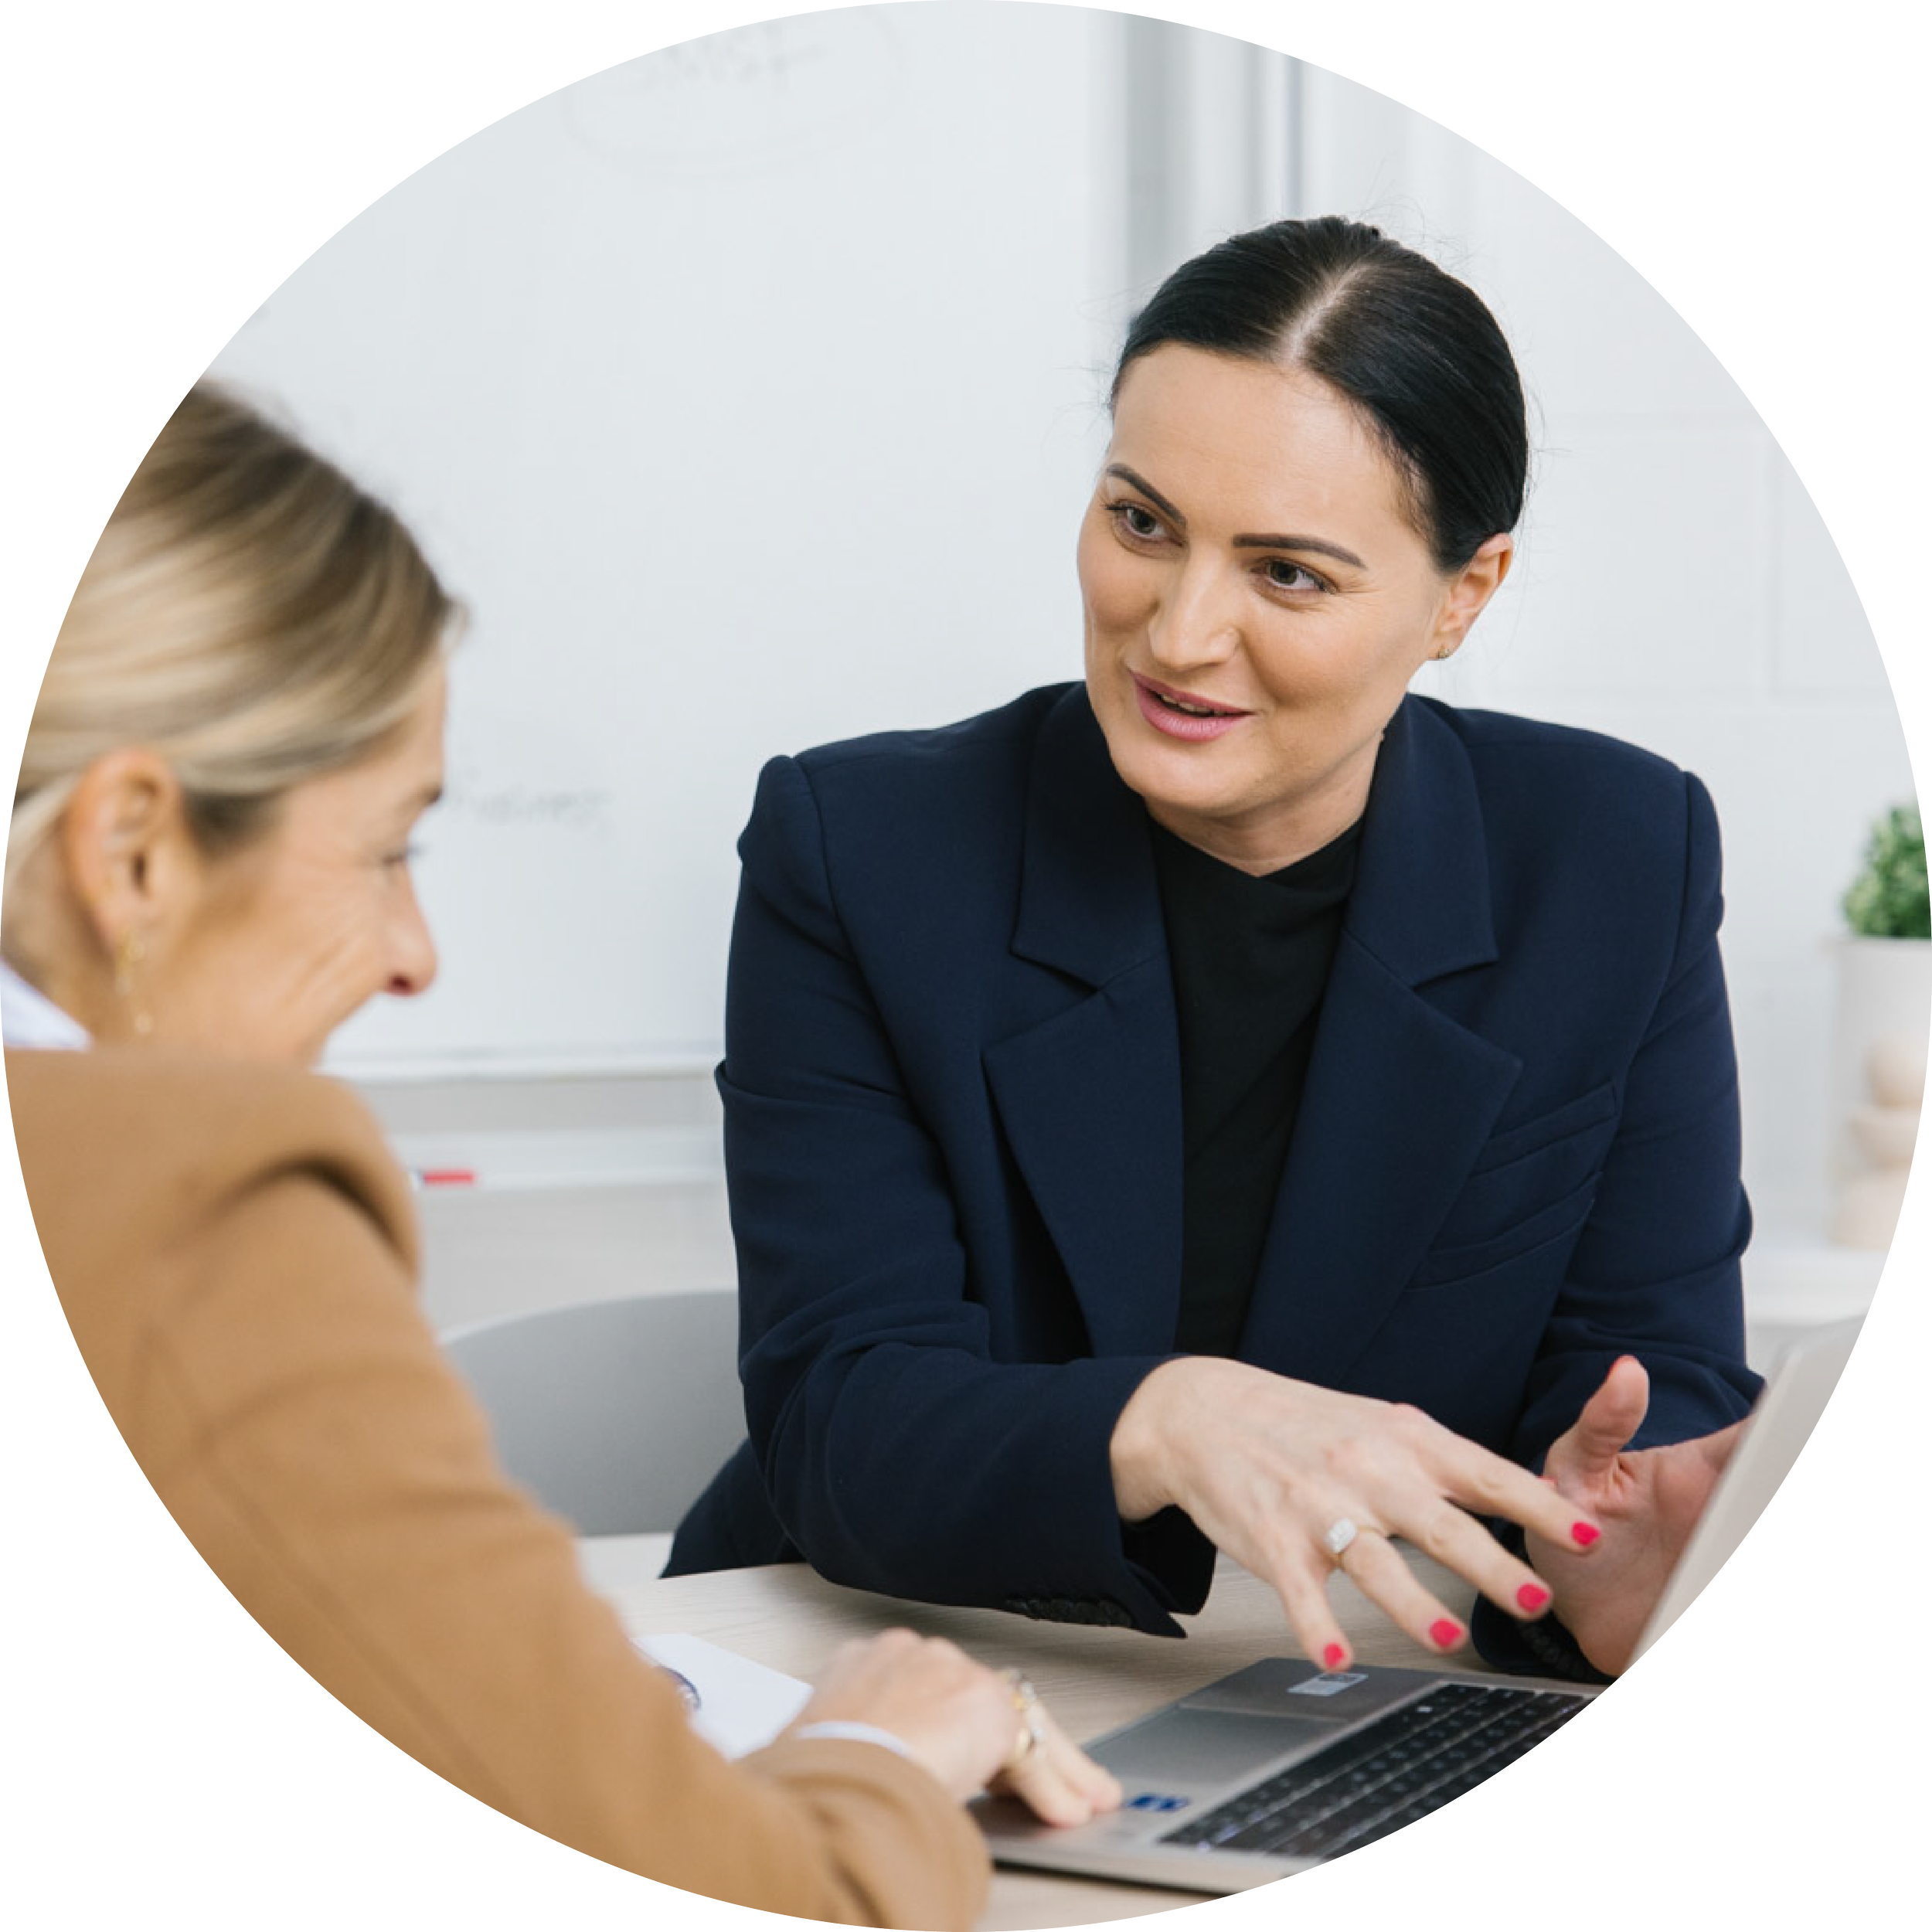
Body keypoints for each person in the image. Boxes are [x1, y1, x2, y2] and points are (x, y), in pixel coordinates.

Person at [1, 384, 1117, 1931]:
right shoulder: (187, 1205)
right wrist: (873, 1745)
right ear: (131, 851)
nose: (415, 955)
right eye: (389, 847)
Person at [668, 216, 1765, 1685]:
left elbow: (1648, 1381)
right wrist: (1164, 1417)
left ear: (1464, 597)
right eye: (1141, 522)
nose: (1179, 634)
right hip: (895, 1658)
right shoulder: (862, 849)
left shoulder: (1617, 855)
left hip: (1367, 1682)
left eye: (1289, 574)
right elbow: (842, 1418)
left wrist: (1610, 1538)